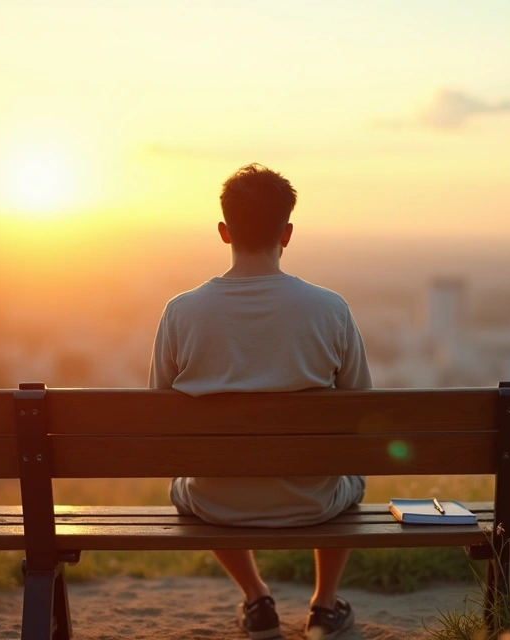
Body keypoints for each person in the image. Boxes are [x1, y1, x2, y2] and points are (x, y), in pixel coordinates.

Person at [148, 163, 372, 640]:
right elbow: (360, 407)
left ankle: (255, 598)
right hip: (313, 502)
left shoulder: (181, 313)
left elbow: (157, 412)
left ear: (224, 231)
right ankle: (324, 605)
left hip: (215, 501)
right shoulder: (330, 309)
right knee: (351, 475)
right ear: (287, 234)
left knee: (186, 485)